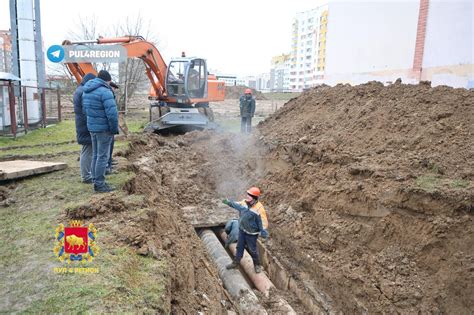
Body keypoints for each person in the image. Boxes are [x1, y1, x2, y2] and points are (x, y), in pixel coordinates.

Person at [82, 70, 119, 193]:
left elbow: (85, 110)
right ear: (107, 80)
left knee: (96, 155)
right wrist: (114, 129)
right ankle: (99, 184)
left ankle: (95, 180)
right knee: (103, 157)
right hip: (104, 129)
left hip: (92, 127)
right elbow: (112, 114)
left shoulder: (86, 90)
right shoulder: (105, 91)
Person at [222, 187, 269, 273]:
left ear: (254, 197)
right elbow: (236, 205)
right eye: (248, 194)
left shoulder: (259, 209)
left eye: (250, 195)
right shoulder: (244, 203)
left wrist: (263, 232)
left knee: (252, 250)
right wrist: (228, 202)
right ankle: (236, 263)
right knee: (239, 247)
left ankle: (257, 265)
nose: (247, 196)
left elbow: (263, 222)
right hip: (242, 231)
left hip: (251, 234)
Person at [73, 73, 96, 183]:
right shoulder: (83, 92)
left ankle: (88, 174)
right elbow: (86, 110)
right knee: (88, 150)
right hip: (85, 125)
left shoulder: (79, 90)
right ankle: (86, 176)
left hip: (82, 124)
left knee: (87, 150)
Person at [106, 81, 119, 174]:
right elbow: (111, 113)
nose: (114, 90)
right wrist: (114, 128)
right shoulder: (107, 94)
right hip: (106, 127)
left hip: (107, 126)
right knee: (106, 148)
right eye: (114, 88)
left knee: (110, 146)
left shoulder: (109, 94)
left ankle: (109, 162)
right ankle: (107, 166)